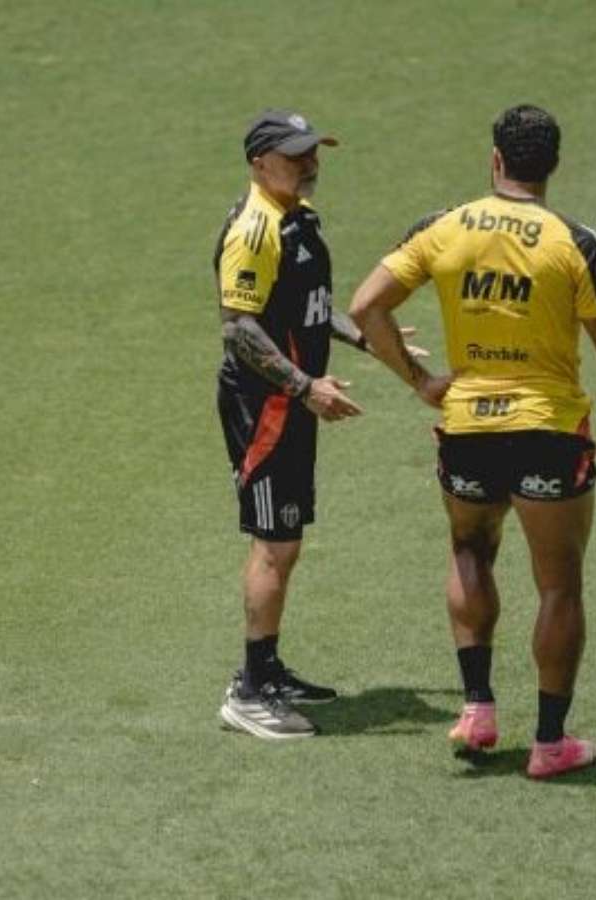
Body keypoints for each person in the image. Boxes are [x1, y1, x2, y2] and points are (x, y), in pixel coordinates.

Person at [349, 104, 596, 777]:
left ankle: (478, 709)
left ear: (495, 159)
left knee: (469, 550)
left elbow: (365, 306)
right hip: (548, 430)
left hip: (468, 425)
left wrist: (420, 380)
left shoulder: (443, 226)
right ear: (552, 165)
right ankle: (550, 744)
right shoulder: (575, 242)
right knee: (559, 586)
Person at [212, 109, 375, 740]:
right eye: (295, 155)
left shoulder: (297, 218)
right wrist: (305, 387)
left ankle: (268, 668)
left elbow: (307, 306)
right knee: (273, 544)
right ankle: (250, 693)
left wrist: (367, 339)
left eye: (313, 151)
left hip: (291, 400)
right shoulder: (255, 230)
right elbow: (238, 328)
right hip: (267, 408)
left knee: (287, 539)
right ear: (260, 164)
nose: (310, 164)